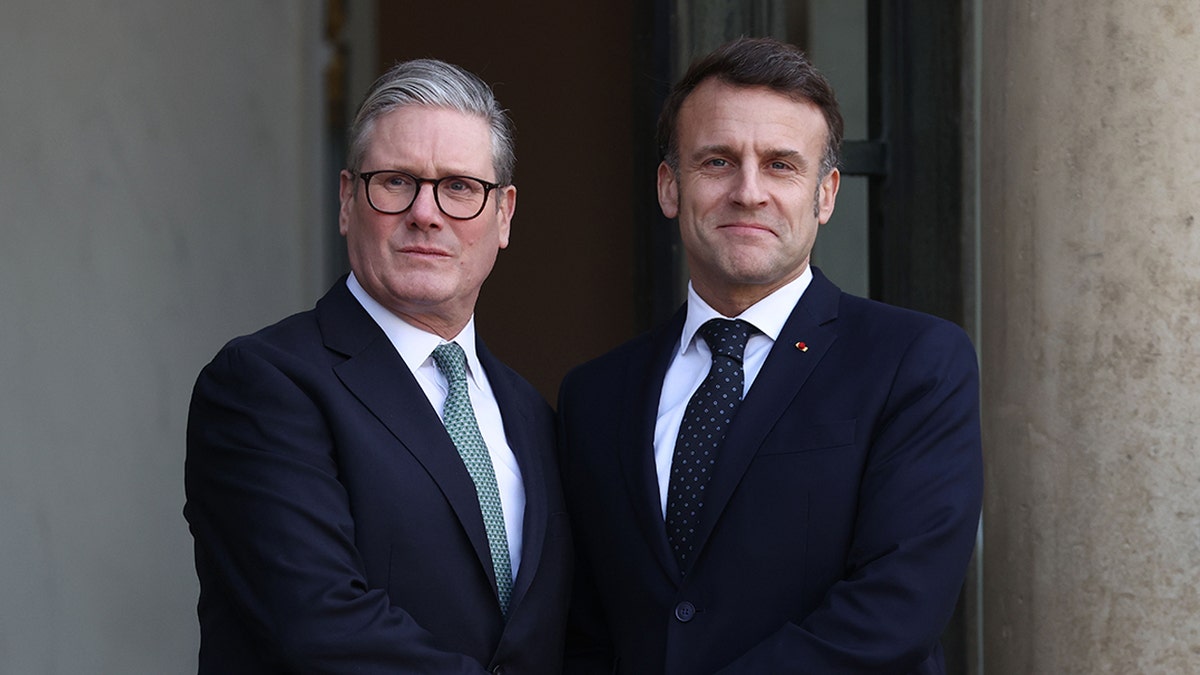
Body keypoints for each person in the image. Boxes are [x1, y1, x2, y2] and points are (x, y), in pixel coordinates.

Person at [558, 37, 983, 674]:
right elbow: (586, 626)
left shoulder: (915, 363)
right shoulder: (595, 395)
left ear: (827, 194)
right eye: (718, 162)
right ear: (670, 187)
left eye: (781, 164)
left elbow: (897, 609)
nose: (748, 192)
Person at [184, 58, 570, 674]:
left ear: (504, 217)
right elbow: (316, 625)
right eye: (395, 181)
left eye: (460, 187)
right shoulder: (263, 385)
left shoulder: (534, 415)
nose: (426, 212)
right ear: (346, 201)